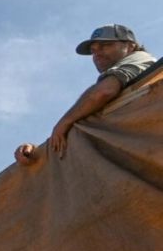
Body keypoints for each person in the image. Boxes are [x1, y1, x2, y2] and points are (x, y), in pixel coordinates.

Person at [15, 24, 156, 165]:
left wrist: (64, 122)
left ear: (130, 46)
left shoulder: (141, 59)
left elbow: (103, 92)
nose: (97, 54)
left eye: (105, 45)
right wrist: (38, 152)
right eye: (93, 50)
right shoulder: (123, 85)